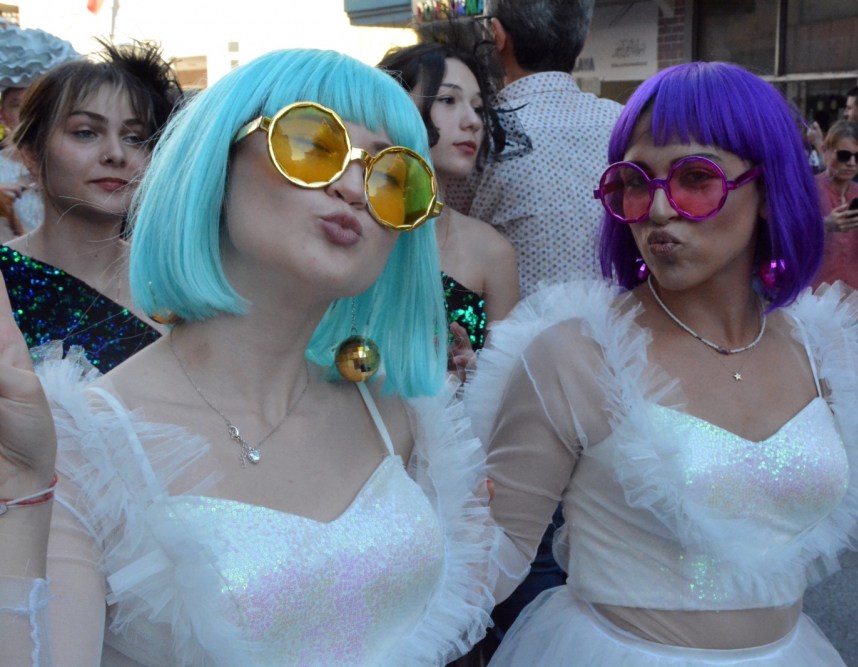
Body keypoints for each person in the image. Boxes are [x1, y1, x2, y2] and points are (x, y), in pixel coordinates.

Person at [466, 61, 858, 666]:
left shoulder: (824, 351)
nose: (658, 208)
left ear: (768, 192)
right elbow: (486, 566)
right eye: (635, 181)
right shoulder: (574, 354)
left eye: (696, 177)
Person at [0, 48, 494, 665]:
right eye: (312, 145)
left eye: (394, 178)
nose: (353, 189)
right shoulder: (81, 445)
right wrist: (21, 495)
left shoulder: (405, 413)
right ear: (218, 161)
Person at [0, 41, 181, 372]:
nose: (115, 154)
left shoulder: (179, 284)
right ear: (32, 153)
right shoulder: (5, 279)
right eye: (85, 133)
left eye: (134, 138)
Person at [443, 0, 622, 297]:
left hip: (512, 322)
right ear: (583, 40)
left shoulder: (478, 131)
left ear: (497, 35)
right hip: (622, 319)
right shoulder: (622, 122)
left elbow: (446, 230)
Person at [378, 41, 519, 354]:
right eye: (448, 100)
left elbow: (506, 377)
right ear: (396, 106)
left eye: (478, 107)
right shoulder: (352, 226)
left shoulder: (492, 251)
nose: (473, 121)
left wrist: (476, 373)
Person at [0, 20, 78, 237]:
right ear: (2, 115)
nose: (26, 114)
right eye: (17, 105)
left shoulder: (71, 161)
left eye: (34, 105)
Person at [811, 120, 858, 294]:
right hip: (814, 294)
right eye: (844, 155)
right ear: (825, 150)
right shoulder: (809, 190)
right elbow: (788, 241)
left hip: (852, 291)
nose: (852, 163)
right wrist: (825, 226)